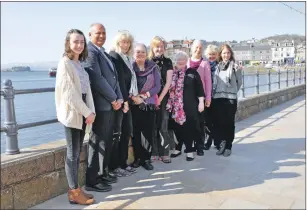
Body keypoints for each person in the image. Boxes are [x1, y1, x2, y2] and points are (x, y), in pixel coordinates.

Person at [55, 29, 96, 205]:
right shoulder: (65, 63)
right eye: (75, 41)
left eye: (82, 41)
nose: (79, 45)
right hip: (73, 112)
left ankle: (76, 190)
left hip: (83, 110)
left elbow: (87, 91)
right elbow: (69, 94)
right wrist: (87, 112)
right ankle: (73, 192)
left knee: (78, 151)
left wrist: (91, 111)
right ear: (68, 43)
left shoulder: (79, 64)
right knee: (72, 153)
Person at [84, 23, 123, 192]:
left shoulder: (102, 52)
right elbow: (97, 78)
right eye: (97, 33)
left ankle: (102, 173)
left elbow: (114, 78)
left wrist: (119, 97)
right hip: (101, 105)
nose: (101, 36)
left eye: (103, 33)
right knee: (97, 140)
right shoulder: (90, 51)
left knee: (106, 140)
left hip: (111, 104)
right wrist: (114, 98)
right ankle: (92, 181)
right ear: (90, 34)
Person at [109, 30, 138, 176]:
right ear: (118, 43)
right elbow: (119, 81)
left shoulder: (127, 59)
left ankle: (123, 163)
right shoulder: (115, 56)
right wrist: (125, 101)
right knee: (118, 134)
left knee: (126, 132)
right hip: (120, 102)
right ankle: (115, 166)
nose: (125, 45)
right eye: (123, 42)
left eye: (128, 42)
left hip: (126, 101)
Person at [167, 51, 205, 161]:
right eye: (178, 59)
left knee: (189, 128)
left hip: (190, 106)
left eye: (183, 59)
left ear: (186, 60)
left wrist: (201, 102)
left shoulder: (192, 72)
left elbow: (200, 87)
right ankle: (178, 148)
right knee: (177, 128)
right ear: (175, 61)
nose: (181, 61)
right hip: (176, 107)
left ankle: (189, 150)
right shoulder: (172, 73)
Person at [131, 43, 161, 170]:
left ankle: (146, 159)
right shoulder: (130, 68)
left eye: (143, 52)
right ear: (133, 54)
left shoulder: (153, 67)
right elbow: (128, 85)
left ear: (146, 53)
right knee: (136, 132)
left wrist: (144, 96)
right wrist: (136, 98)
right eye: (138, 52)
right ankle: (138, 158)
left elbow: (158, 86)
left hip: (149, 104)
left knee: (148, 132)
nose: (140, 54)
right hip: (135, 104)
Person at [212, 44, 242, 157]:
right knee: (219, 123)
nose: (226, 55)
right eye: (224, 53)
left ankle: (229, 146)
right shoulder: (217, 67)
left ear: (231, 54)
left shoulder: (236, 67)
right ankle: (222, 145)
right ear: (220, 54)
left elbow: (239, 83)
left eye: (228, 53)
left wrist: (232, 91)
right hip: (218, 99)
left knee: (229, 123)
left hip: (230, 99)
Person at [148, 36, 173, 163]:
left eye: (162, 47)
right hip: (150, 97)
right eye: (157, 46)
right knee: (152, 125)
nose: (159, 49)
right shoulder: (148, 61)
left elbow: (168, 83)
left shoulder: (168, 62)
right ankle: (154, 152)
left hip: (163, 97)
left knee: (163, 125)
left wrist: (160, 98)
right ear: (153, 47)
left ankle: (165, 153)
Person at [187, 40, 212, 156]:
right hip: (189, 98)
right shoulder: (187, 62)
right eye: (196, 47)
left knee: (200, 123)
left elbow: (208, 81)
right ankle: (190, 145)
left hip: (200, 98)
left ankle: (200, 146)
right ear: (192, 48)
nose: (198, 50)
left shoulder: (205, 63)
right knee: (190, 123)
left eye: (200, 48)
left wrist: (208, 98)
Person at [203, 44, 220, 150]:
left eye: (214, 54)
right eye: (210, 54)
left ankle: (217, 142)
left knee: (217, 120)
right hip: (207, 97)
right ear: (206, 55)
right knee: (207, 121)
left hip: (218, 96)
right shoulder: (204, 65)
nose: (212, 56)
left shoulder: (220, 65)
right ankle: (208, 141)